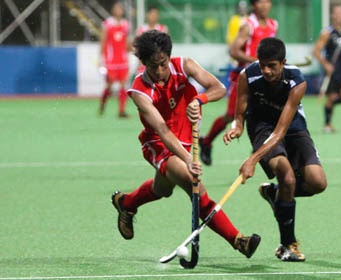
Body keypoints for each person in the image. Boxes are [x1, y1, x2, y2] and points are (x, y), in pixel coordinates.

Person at [111, 30, 261, 259]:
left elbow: (218, 88)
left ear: (169, 57)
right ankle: (238, 240)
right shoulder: (139, 91)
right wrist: (188, 160)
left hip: (185, 137)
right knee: (194, 185)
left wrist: (200, 99)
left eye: (163, 64)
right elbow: (161, 130)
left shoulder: (184, 65)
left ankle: (127, 202)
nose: (160, 72)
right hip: (159, 143)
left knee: (163, 189)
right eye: (153, 66)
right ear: (143, 64)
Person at [223, 37, 327, 261]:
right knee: (287, 178)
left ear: (283, 62)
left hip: (291, 126)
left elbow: (280, 132)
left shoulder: (297, 81)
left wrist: (252, 160)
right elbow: (239, 114)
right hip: (261, 126)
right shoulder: (247, 76)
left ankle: (274, 193)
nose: (267, 71)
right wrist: (237, 128)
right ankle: (287, 245)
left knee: (318, 182)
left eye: (272, 66)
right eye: (263, 65)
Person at [199, 0, 277, 166]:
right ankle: (206, 142)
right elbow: (233, 51)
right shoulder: (248, 26)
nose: (264, 5)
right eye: (260, 2)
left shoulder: (272, 25)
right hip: (244, 78)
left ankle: (258, 151)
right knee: (231, 116)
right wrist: (257, 61)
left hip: (264, 78)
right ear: (254, 5)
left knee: (268, 113)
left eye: (267, 1)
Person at [313, 5, 341, 133]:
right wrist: (326, 64)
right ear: (332, 15)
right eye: (336, 13)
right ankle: (327, 124)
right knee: (331, 97)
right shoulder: (327, 32)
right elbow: (316, 51)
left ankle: (328, 107)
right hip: (331, 70)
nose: (339, 16)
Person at [98, 1, 131, 118]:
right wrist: (101, 59)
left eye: (120, 9)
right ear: (113, 11)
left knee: (123, 85)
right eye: (116, 9)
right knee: (109, 86)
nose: (118, 11)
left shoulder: (126, 24)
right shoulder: (107, 24)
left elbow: (126, 43)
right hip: (111, 62)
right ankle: (102, 103)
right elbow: (103, 41)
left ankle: (121, 111)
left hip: (123, 61)